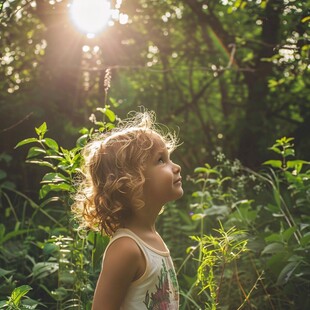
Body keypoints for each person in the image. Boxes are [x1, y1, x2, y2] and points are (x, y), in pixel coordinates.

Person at [72, 111, 183, 309]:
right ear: (131, 182)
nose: (176, 167)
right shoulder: (127, 248)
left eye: (169, 158)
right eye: (161, 160)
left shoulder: (152, 238)